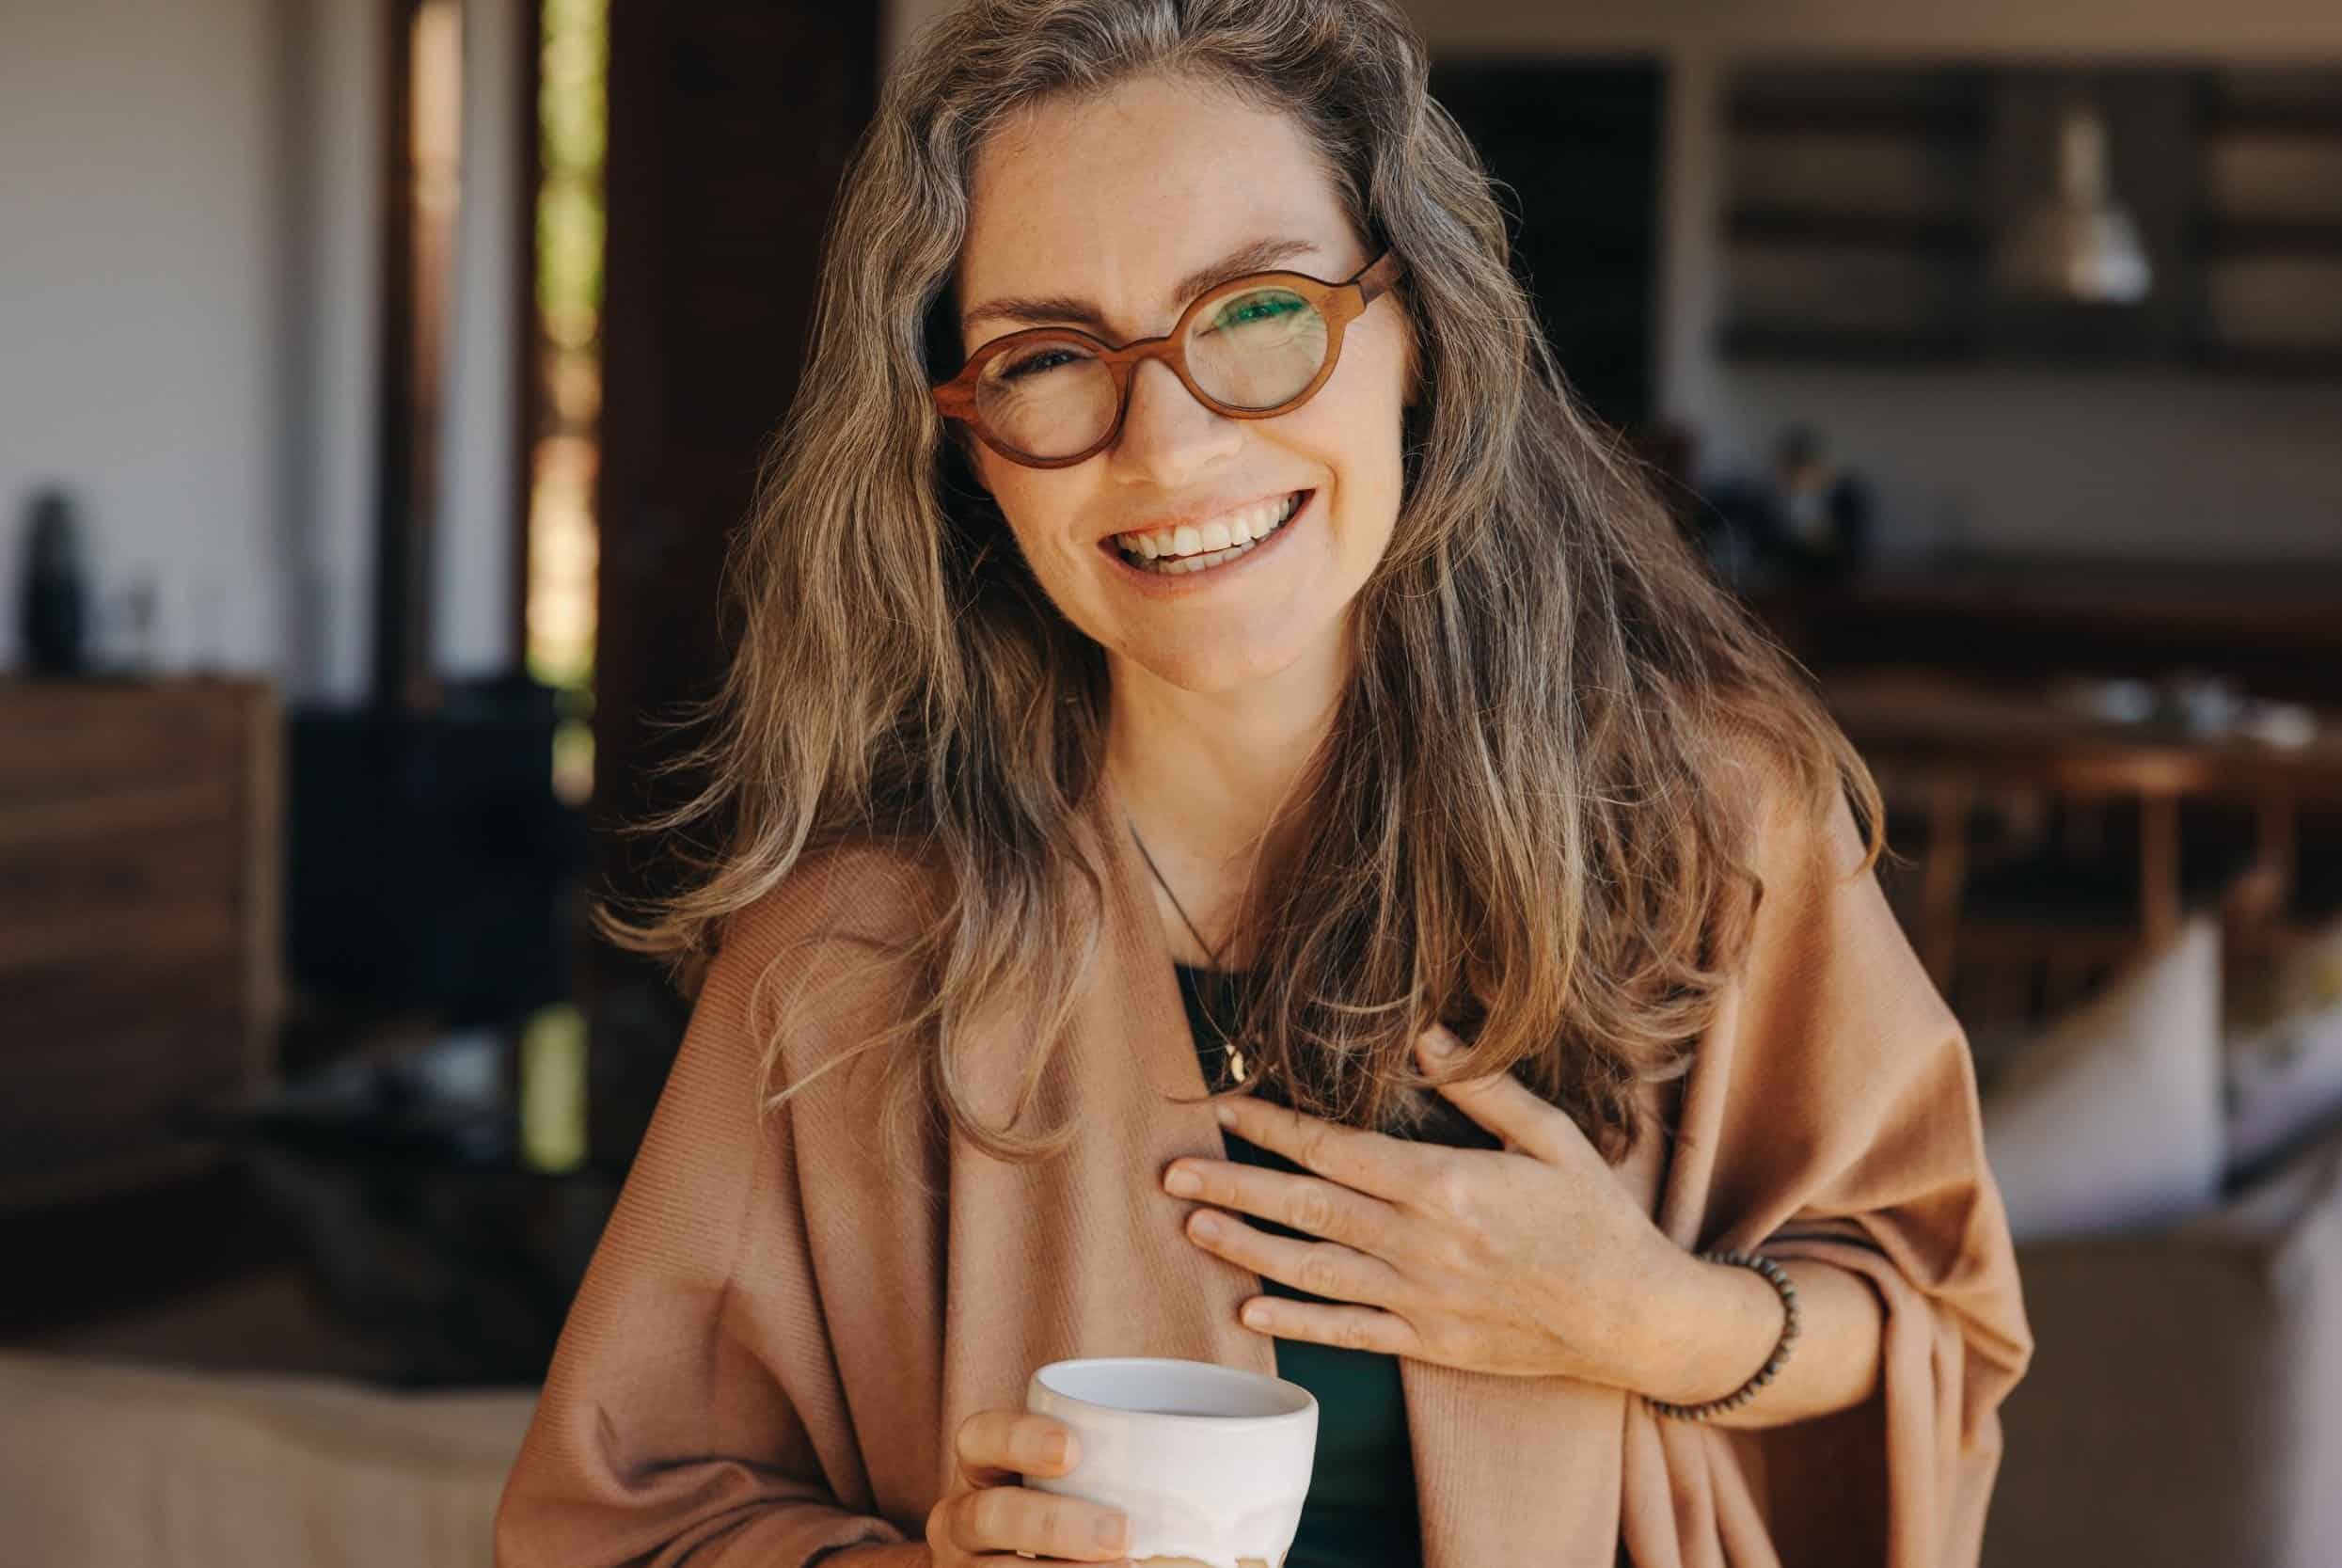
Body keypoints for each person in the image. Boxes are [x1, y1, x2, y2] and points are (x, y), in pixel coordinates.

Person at [495, 2, 2033, 1565]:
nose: (1165, 444)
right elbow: (614, 1526)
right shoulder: (848, 958)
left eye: (1254, 313)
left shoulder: (1707, 823)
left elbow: (1928, 1318)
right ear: (961, 438)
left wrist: (1649, 1320)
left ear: (1418, 326)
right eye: (1046, 357)